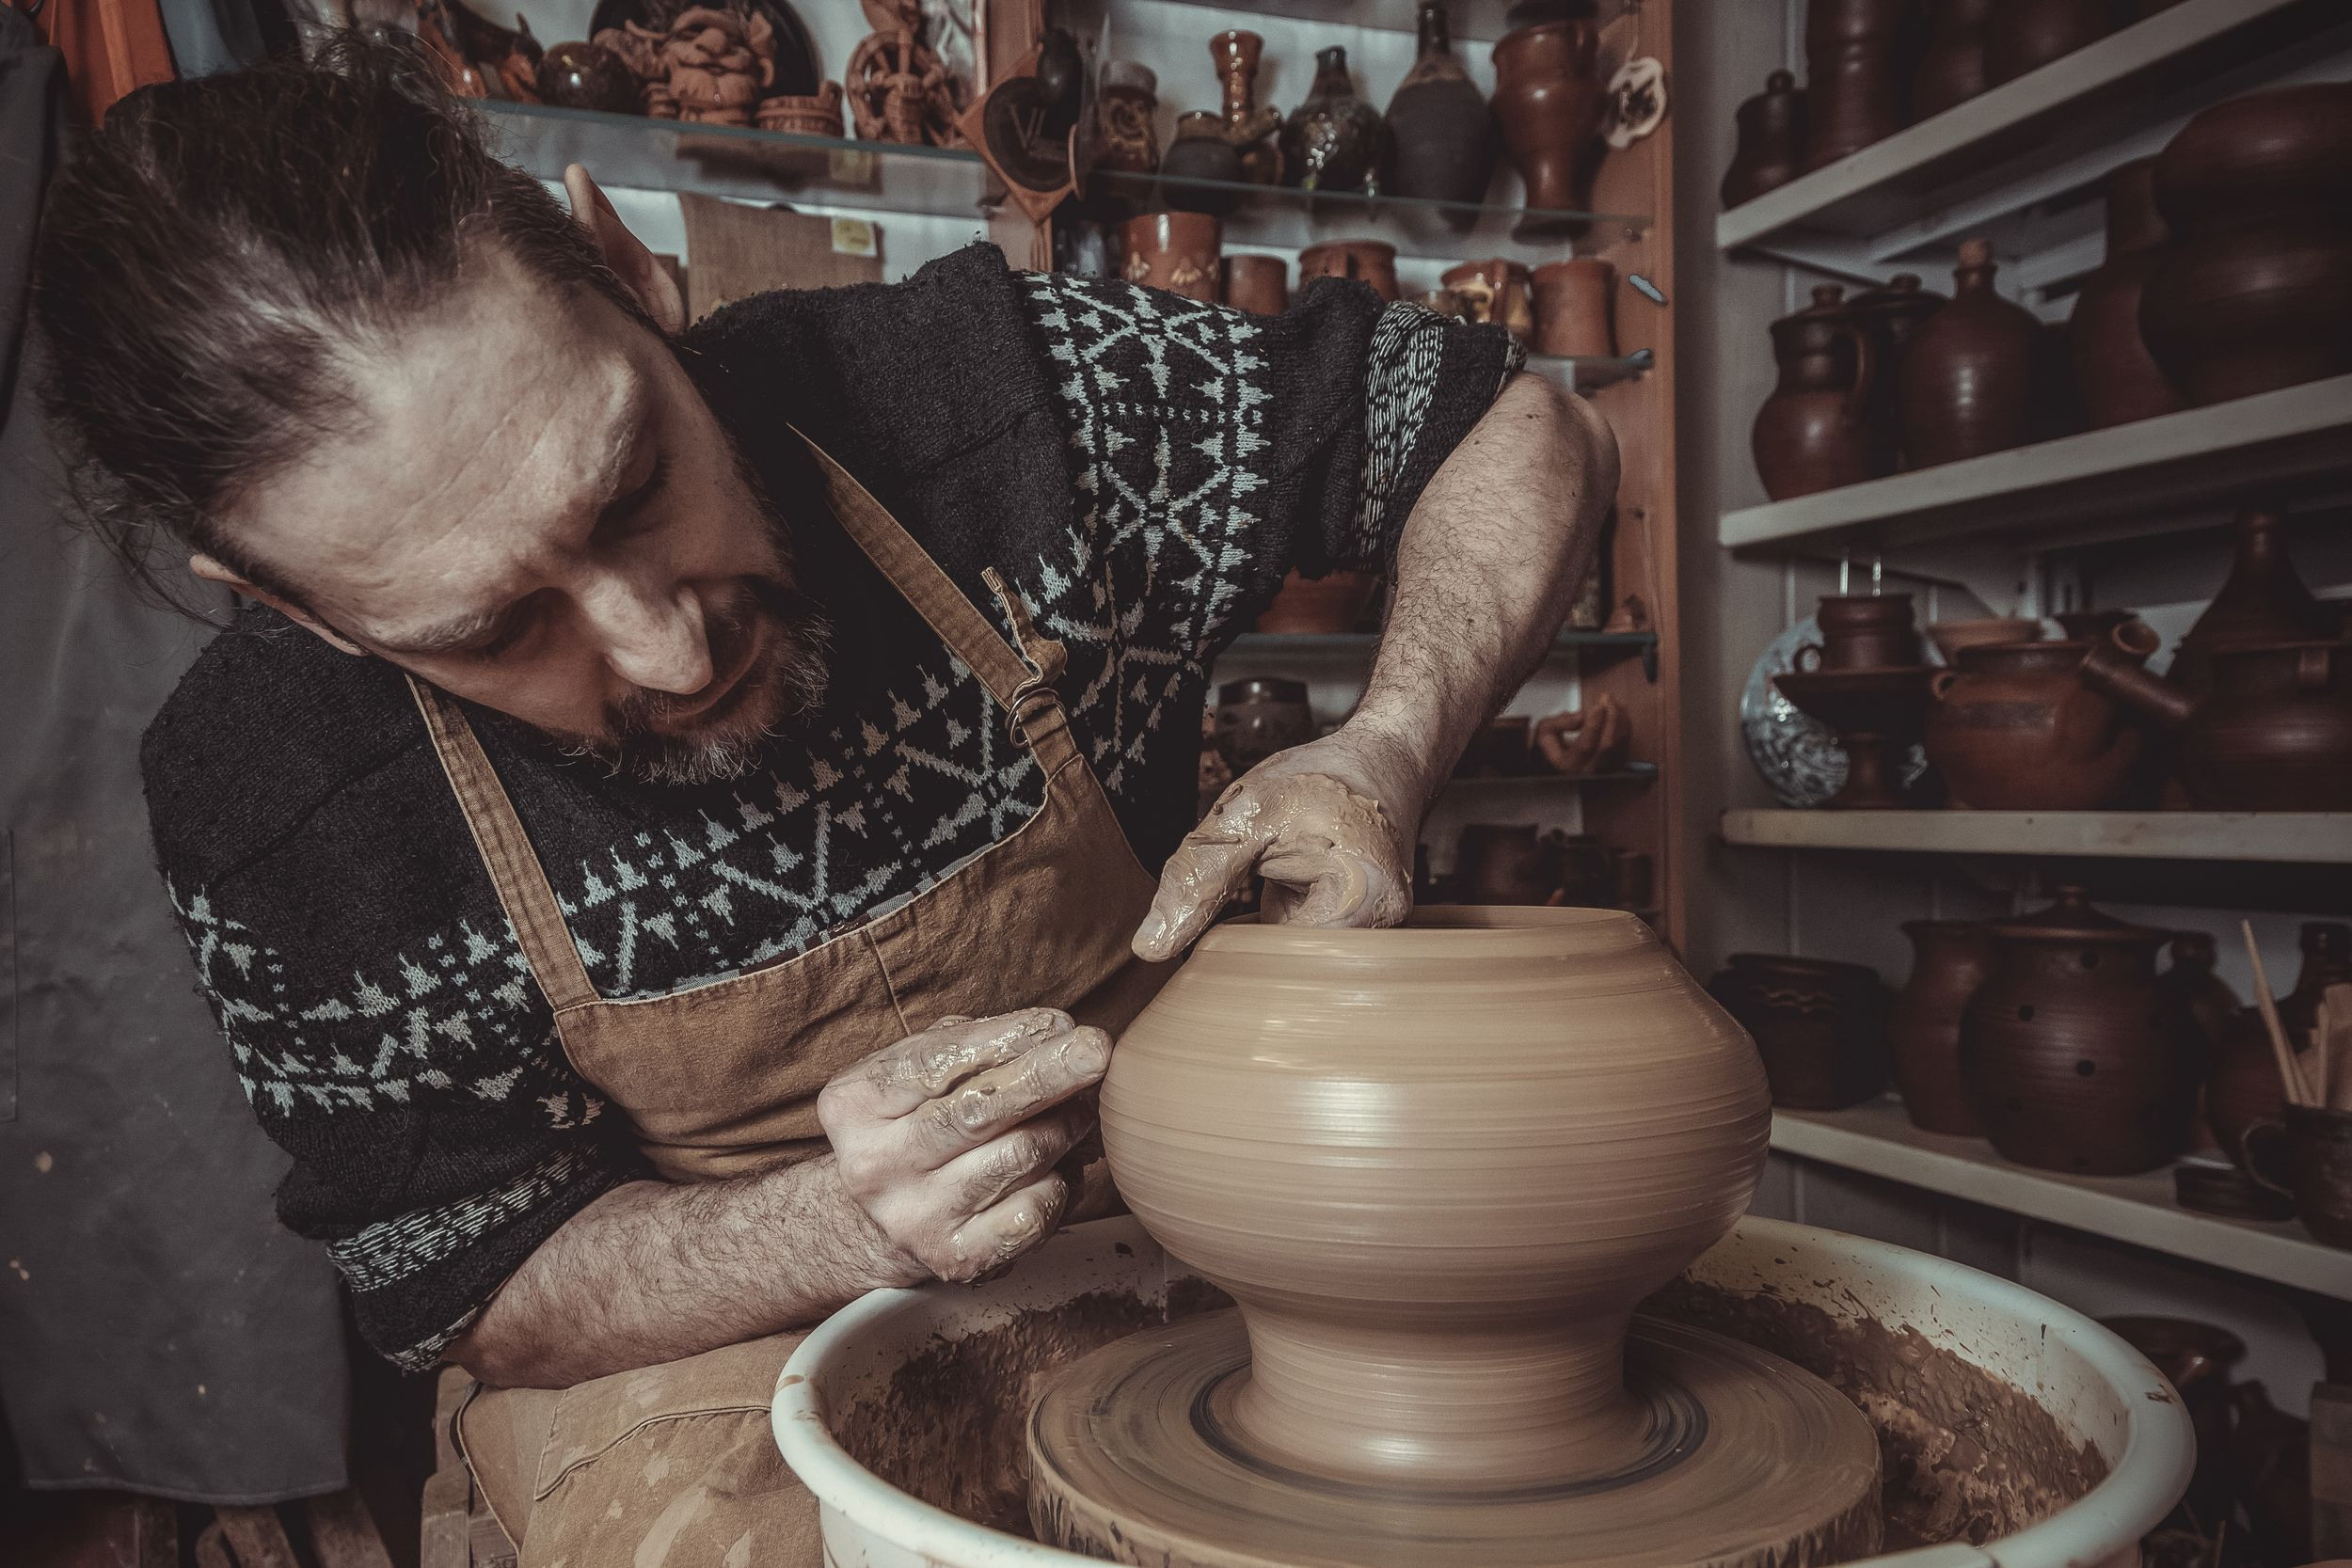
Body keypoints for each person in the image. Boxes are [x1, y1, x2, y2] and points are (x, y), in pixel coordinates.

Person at [30, 35, 1617, 1568]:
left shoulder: (995, 401)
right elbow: (473, 1287)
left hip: (1203, 1218)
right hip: (714, 1342)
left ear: (631, 280)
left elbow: (1505, 420)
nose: (669, 642)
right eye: (495, 629)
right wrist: (832, 1228)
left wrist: (1386, 746)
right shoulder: (273, 795)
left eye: (635, 483)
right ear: (305, 612)